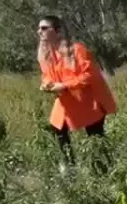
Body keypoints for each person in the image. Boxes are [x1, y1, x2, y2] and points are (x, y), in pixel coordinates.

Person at [37, 15, 117, 171]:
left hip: (89, 102)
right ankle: (68, 166)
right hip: (67, 101)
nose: (39, 31)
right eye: (39, 28)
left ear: (58, 31)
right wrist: (47, 84)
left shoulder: (76, 50)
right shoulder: (48, 54)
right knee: (57, 128)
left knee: (95, 138)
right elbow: (47, 74)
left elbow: (88, 76)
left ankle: (106, 171)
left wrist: (64, 86)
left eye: (44, 28)